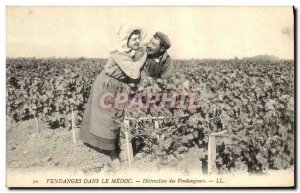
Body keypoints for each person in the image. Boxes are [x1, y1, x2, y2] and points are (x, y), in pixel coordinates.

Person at [79, 26, 147, 170]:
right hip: (106, 85)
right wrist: (145, 55)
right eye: (134, 39)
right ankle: (113, 156)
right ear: (126, 41)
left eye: (138, 38)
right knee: (107, 120)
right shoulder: (119, 54)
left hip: (119, 87)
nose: (137, 41)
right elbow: (134, 72)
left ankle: (118, 150)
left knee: (118, 117)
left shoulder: (131, 53)